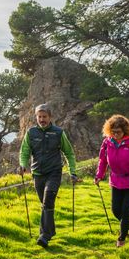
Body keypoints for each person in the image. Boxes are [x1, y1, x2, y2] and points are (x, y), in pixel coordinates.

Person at [18, 103, 78, 248]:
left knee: (48, 198)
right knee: (45, 204)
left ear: (50, 117)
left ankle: (44, 235)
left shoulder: (58, 132)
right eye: (39, 116)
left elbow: (69, 153)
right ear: (36, 117)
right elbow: (24, 151)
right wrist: (23, 164)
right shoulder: (31, 133)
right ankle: (49, 232)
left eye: (44, 117)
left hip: (54, 172)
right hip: (37, 173)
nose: (42, 119)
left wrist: (73, 172)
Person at [94, 114, 129, 247]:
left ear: (125, 130)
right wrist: (99, 175)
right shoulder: (107, 142)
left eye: (118, 132)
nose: (115, 134)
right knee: (116, 210)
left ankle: (122, 238)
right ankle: (126, 226)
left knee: (125, 210)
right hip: (116, 180)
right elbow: (102, 160)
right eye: (113, 132)